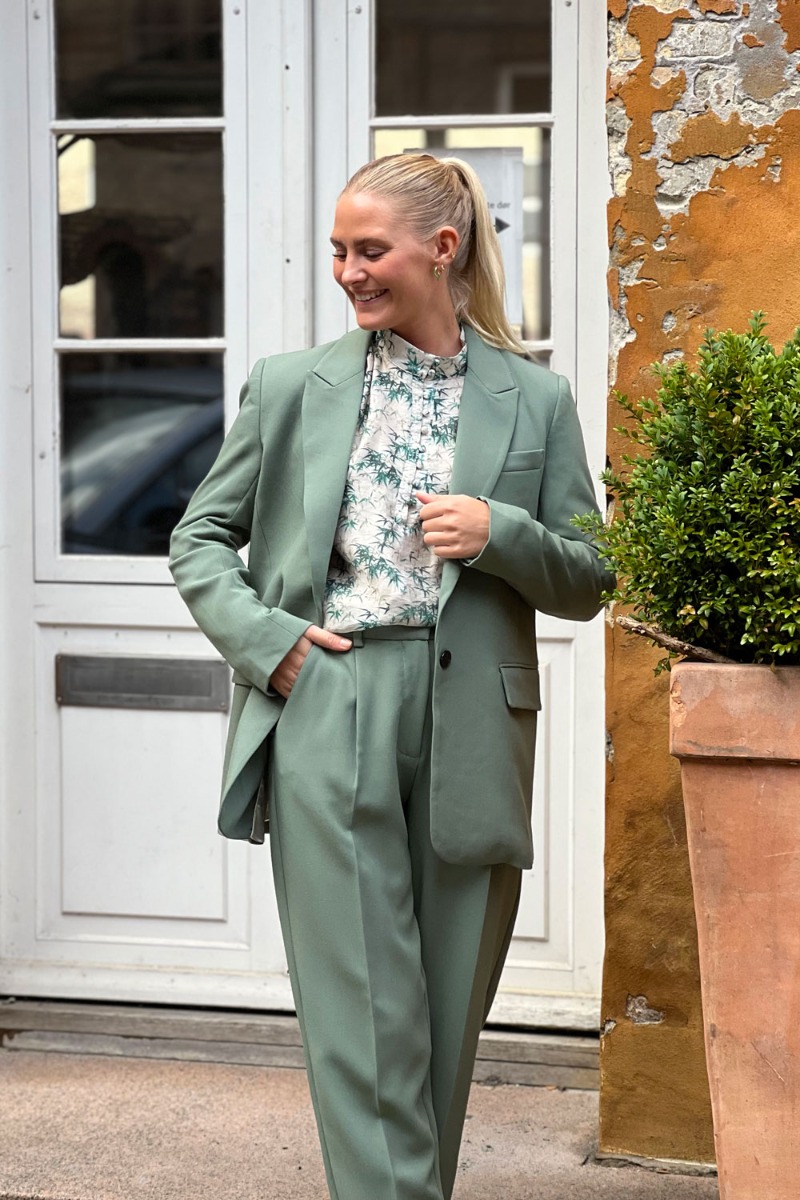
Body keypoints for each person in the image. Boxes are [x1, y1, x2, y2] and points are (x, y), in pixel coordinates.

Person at [169, 152, 611, 1200]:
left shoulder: (534, 398)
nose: (347, 271)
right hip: (332, 695)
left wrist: (500, 532)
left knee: (445, 1011)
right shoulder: (291, 386)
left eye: (368, 250)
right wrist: (267, 640)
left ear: (441, 249)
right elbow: (200, 538)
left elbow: (590, 577)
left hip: (474, 720)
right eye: (338, 251)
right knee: (364, 1014)